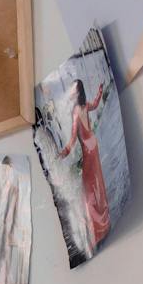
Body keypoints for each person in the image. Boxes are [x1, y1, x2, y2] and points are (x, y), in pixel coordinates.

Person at [56, 76, 111, 247]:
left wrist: (62, 153)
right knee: (96, 184)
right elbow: (95, 104)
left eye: (73, 90)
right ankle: (103, 222)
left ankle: (97, 230)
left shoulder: (75, 111)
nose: (71, 92)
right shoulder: (85, 105)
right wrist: (101, 90)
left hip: (88, 150)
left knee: (88, 190)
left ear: (76, 92)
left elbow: (73, 140)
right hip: (93, 145)